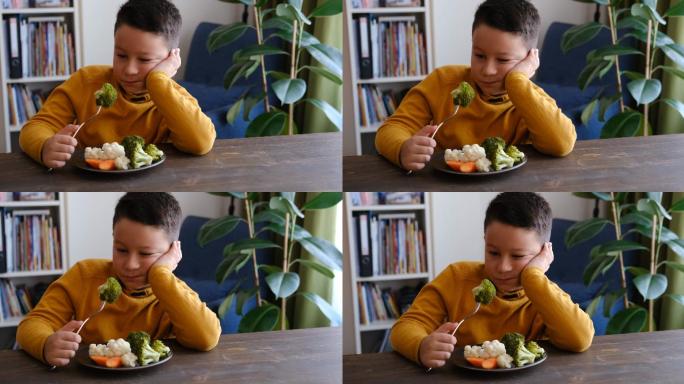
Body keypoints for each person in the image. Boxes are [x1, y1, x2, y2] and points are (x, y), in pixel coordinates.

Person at [390, 193, 593, 368]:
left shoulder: (544, 294)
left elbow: (580, 339)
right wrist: (422, 346)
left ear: (543, 254)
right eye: (493, 252)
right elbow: (405, 327)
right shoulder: (457, 277)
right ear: (485, 241)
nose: (503, 267)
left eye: (517, 256)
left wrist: (532, 277)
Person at [17, 193, 221, 367]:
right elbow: (33, 324)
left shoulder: (172, 292)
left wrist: (160, 275)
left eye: (145, 253)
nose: (131, 264)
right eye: (121, 250)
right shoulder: (84, 275)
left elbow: (207, 337)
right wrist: (46, 344)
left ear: (171, 252)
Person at [376, 0, 576, 171]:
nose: (488, 70)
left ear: (529, 59)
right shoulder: (443, 81)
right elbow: (391, 129)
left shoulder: (529, 98)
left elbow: (562, 144)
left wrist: (516, 82)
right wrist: (403, 149)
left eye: (503, 60)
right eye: (479, 55)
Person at [20, 0, 216, 169]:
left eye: (144, 60)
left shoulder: (172, 98)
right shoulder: (86, 81)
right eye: (121, 55)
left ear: (170, 59)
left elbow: (201, 143)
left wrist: (157, 81)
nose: (129, 69)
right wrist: (45, 145)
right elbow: (35, 127)